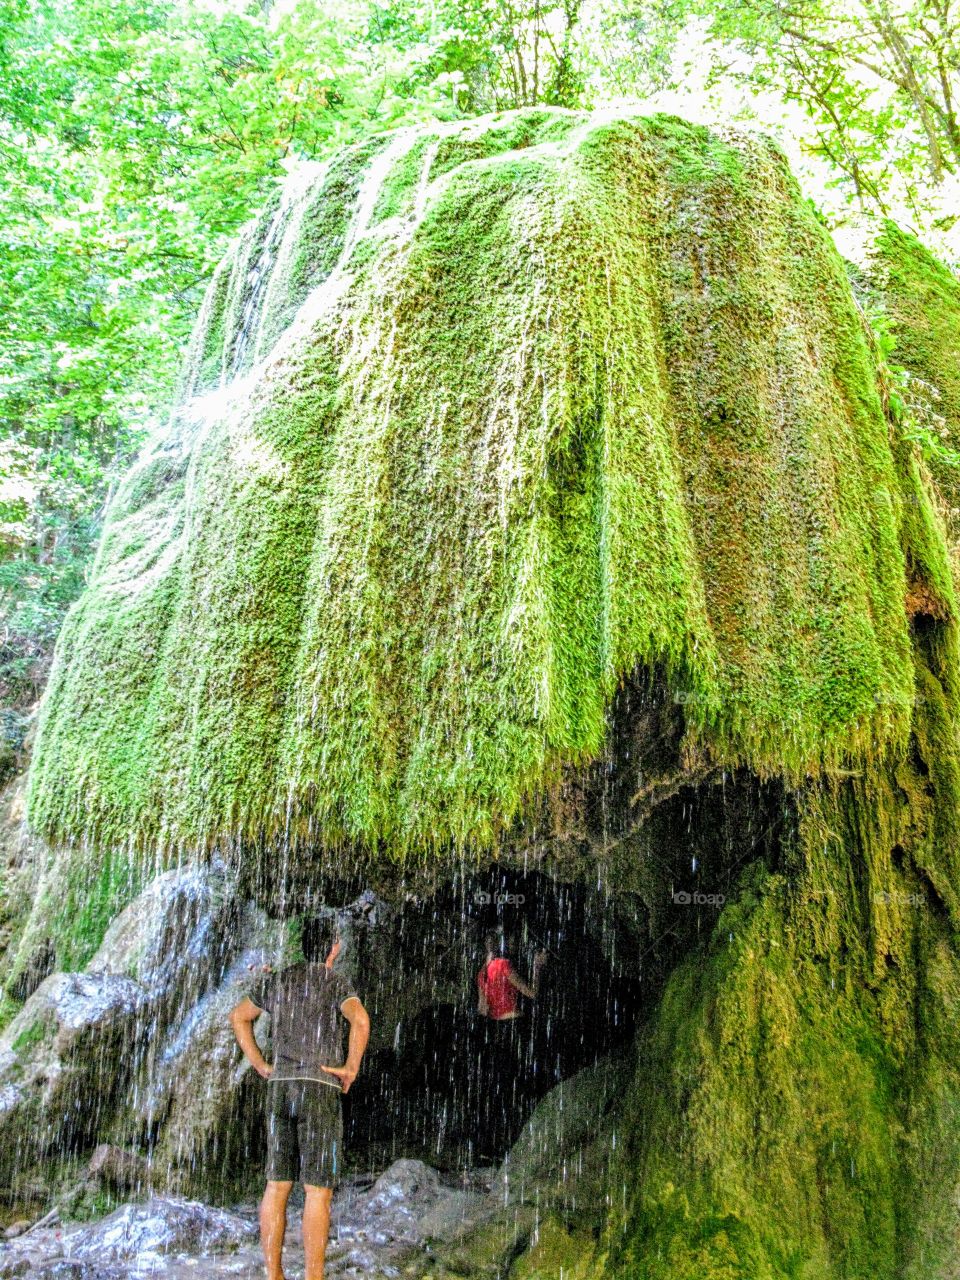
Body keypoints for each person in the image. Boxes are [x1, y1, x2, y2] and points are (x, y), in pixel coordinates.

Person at [229, 917, 370, 1280]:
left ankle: (274, 1275)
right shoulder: (334, 982)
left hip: (281, 1086)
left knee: (277, 1186)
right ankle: (313, 1277)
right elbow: (361, 1021)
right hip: (319, 1088)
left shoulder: (279, 979)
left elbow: (239, 1017)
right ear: (333, 948)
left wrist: (260, 1063)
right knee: (317, 1191)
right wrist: (350, 1067)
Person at [475, 931, 547, 1155]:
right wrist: (537, 966)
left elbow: (482, 1010)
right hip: (516, 1029)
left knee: (501, 1088)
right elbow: (532, 993)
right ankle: (521, 1139)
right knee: (522, 1082)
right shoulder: (505, 966)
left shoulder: (483, 973)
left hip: (497, 1032)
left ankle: (491, 1144)